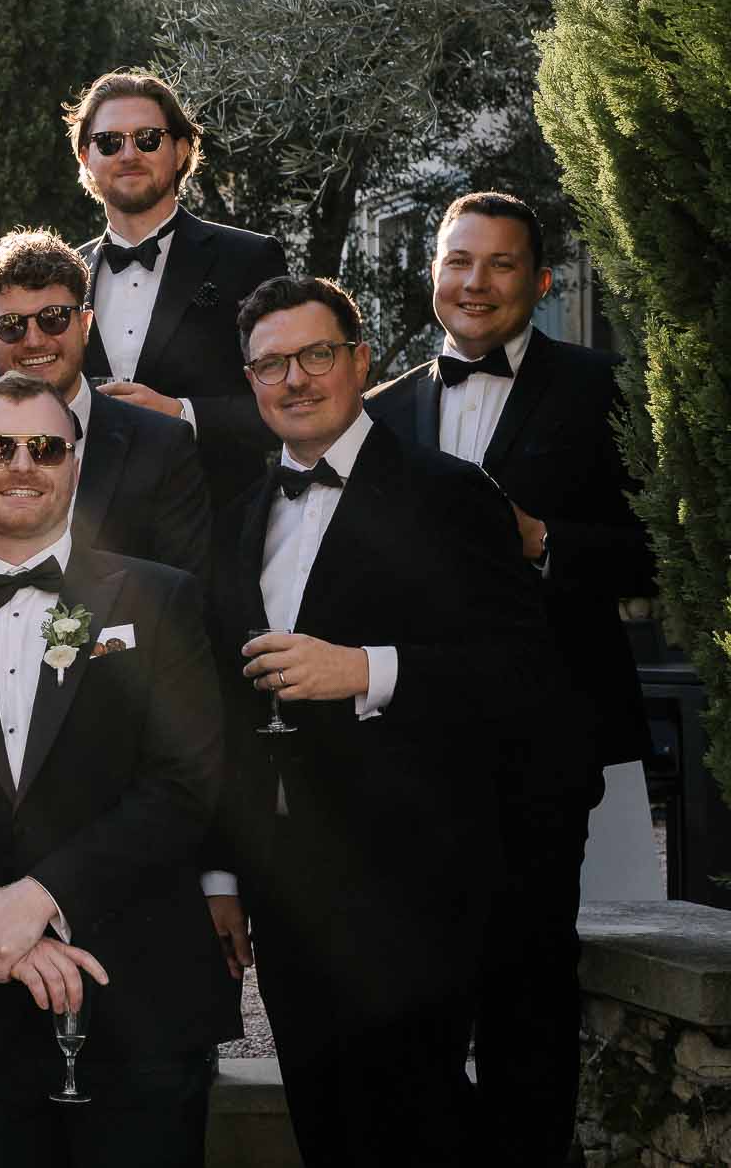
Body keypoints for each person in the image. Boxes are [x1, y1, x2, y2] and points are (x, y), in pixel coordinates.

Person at [0, 371, 237, 1167]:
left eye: (45, 447)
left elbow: (184, 783)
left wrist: (42, 896)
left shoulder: (160, 600)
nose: (22, 463)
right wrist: (2, 931)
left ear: (75, 464)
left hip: (137, 993)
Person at [207, 274, 550, 1167]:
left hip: (418, 883)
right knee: (325, 1119)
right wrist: (223, 873)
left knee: (418, 1120)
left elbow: (522, 676)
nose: (295, 378)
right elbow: (222, 712)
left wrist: (364, 669)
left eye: (315, 353)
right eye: (271, 363)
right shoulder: (242, 518)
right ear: (249, 381)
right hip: (289, 890)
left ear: (359, 360)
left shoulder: (451, 492)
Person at [367, 191, 654, 1164]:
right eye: (457, 261)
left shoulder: (602, 387)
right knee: (419, 997)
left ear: (537, 280)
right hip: (409, 756)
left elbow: (657, 552)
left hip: (546, 743)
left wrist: (543, 543)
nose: (473, 283)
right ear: (431, 272)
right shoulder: (378, 413)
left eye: (497, 265)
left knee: (528, 987)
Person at [0, 229, 211, 578]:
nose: (35, 340)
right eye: (11, 326)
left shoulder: (162, 445)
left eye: (53, 318)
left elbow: (183, 598)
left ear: (85, 323)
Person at [65, 72, 286, 508]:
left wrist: (181, 413)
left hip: (215, 529)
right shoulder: (65, 276)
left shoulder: (248, 258)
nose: (128, 154)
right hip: (91, 540)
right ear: (86, 157)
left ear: (181, 149)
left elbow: (283, 404)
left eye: (147, 138)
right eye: (109, 142)